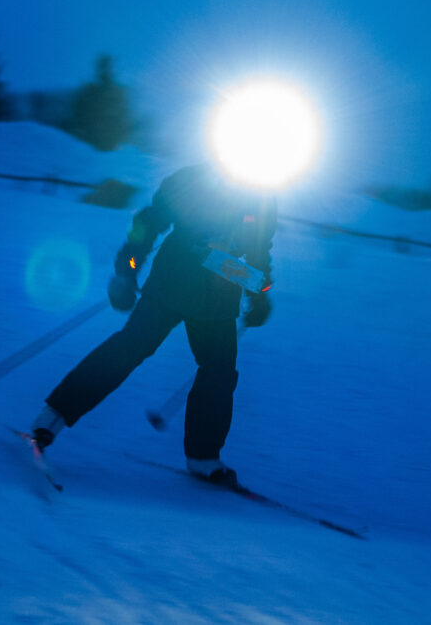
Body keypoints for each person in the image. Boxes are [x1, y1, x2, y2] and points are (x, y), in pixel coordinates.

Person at [29, 163, 276, 484]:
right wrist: (127, 269)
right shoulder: (194, 179)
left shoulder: (262, 198)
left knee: (218, 373)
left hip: (218, 296)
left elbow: (259, 251)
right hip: (170, 285)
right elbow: (148, 223)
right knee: (130, 347)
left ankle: (204, 457)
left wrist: (261, 292)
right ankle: (52, 417)